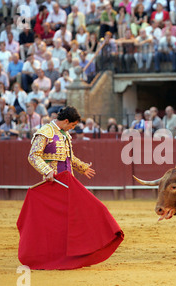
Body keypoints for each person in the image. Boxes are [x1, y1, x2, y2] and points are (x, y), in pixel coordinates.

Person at [19, 105, 123, 270]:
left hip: (69, 182)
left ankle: (77, 252)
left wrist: (82, 167)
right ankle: (52, 255)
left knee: (73, 217)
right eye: (72, 125)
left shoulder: (65, 134)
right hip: (54, 183)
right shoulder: (45, 131)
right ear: (66, 121)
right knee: (57, 221)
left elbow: (69, 157)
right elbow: (33, 156)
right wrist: (46, 171)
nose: (72, 128)